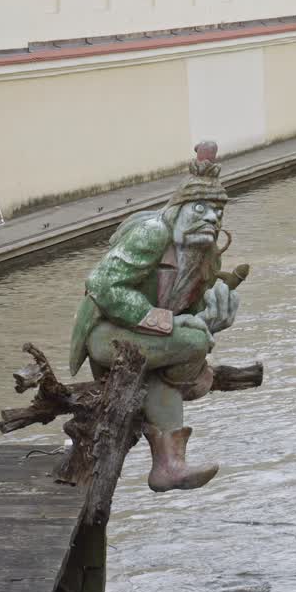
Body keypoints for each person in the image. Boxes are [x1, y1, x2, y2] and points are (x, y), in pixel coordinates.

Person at [69, 140, 238, 492]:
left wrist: (212, 318)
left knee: (180, 352)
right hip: (107, 332)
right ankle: (172, 443)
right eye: (201, 208)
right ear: (179, 208)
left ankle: (168, 466)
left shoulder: (205, 253)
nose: (212, 218)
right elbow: (101, 284)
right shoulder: (153, 232)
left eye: (217, 211)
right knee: (192, 342)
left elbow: (188, 311)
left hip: (149, 340)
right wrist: (167, 322)